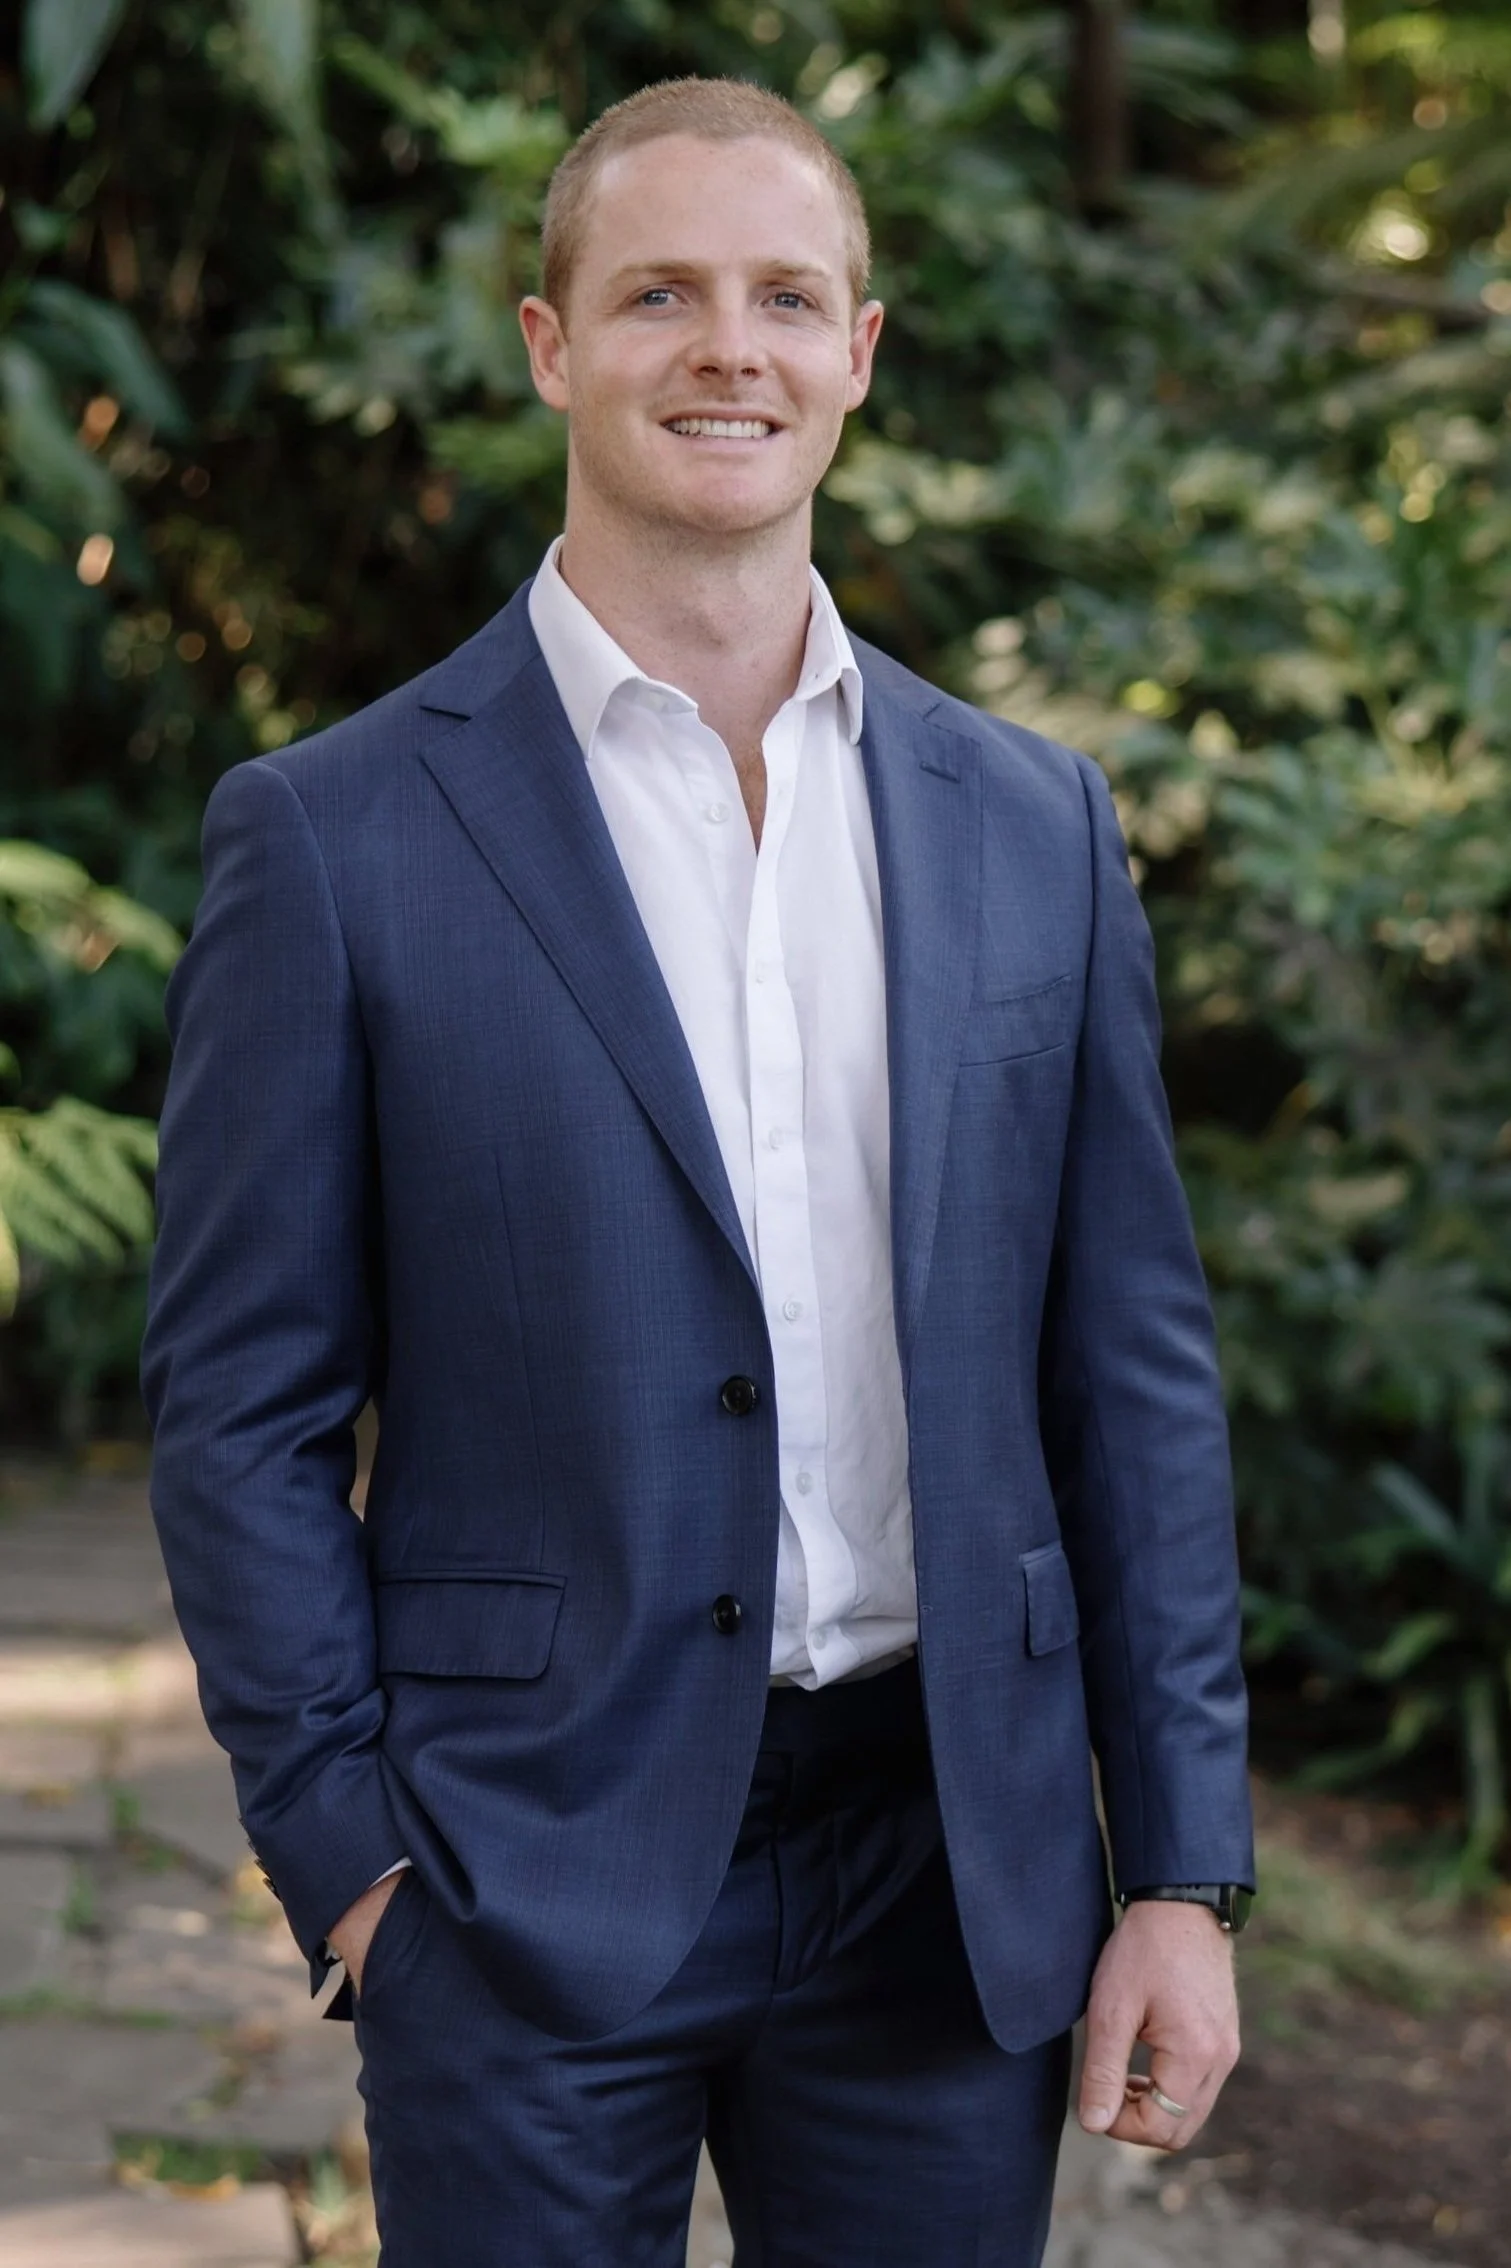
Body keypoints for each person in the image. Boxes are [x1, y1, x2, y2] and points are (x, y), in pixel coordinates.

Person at [142, 75, 1254, 2268]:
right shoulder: (336, 836)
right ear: (551, 344)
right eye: (658, 293)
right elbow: (238, 1402)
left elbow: (1129, 1376)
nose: (724, 348)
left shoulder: (1031, 826)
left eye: (782, 298)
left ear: (858, 353)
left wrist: (1176, 1873)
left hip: (949, 1878)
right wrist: (350, 1858)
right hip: (514, 1875)